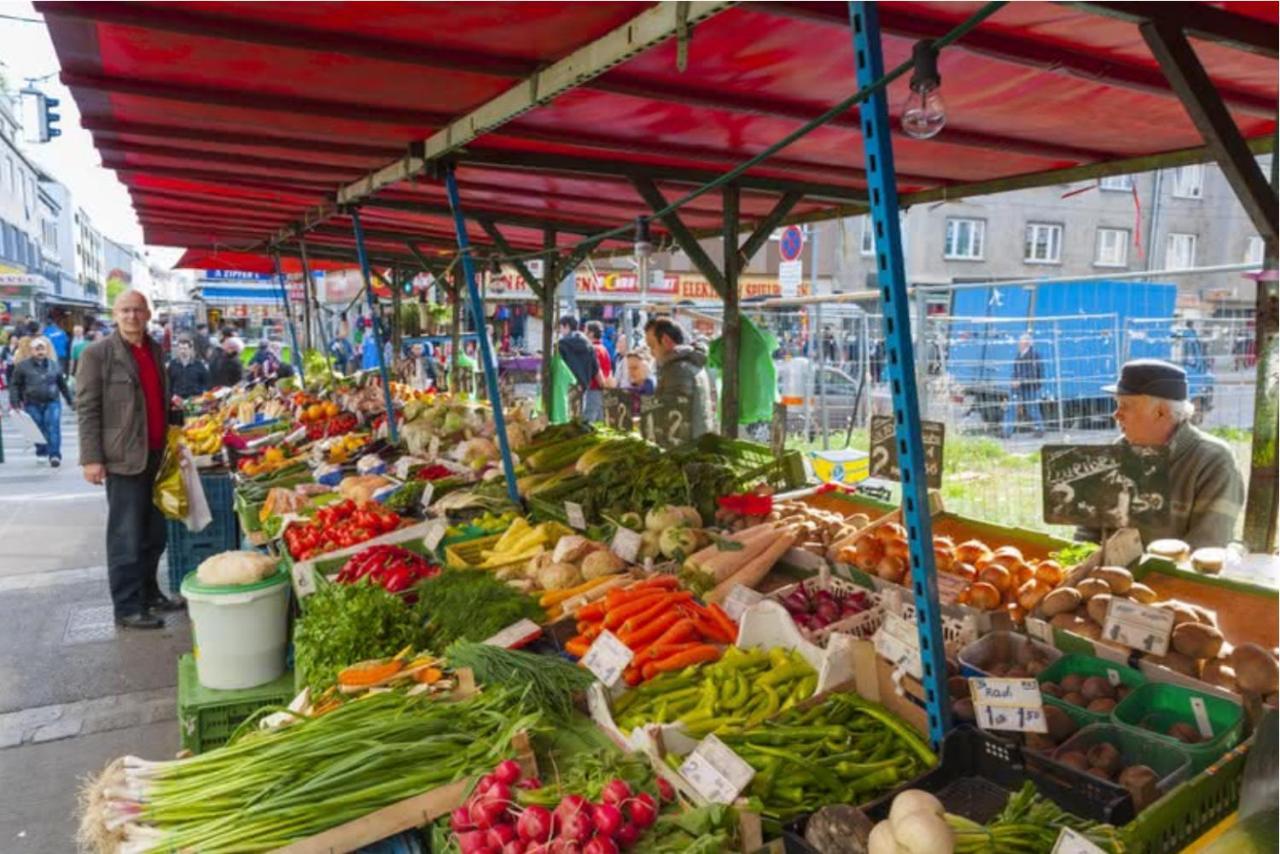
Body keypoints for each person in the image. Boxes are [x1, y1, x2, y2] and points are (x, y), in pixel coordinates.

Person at [76, 290, 183, 630]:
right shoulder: (98, 354)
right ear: (115, 314)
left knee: (153, 533)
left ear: (148, 313)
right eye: (125, 310)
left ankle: (150, 594)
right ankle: (127, 606)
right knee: (126, 535)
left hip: (155, 452)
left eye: (138, 310)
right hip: (123, 457)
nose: (132, 316)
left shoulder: (153, 349)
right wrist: (91, 459)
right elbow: (88, 408)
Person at [1077, 359, 1244, 549]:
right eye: (1117, 404)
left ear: (1161, 413)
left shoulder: (1213, 461)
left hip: (1171, 577)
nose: (1116, 414)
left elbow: (1206, 548)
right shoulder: (1118, 451)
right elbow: (1087, 533)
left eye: (1126, 405)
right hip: (1110, 576)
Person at [644, 316, 715, 439]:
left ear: (665, 340)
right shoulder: (690, 362)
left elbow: (673, 413)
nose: (651, 353)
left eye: (652, 346)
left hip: (686, 449)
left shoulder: (678, 369)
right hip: (698, 440)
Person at [10, 336, 74, 466]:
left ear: (46, 350)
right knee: (38, 428)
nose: (40, 352)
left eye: (42, 349)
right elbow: (15, 385)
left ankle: (55, 455)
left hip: (52, 401)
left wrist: (70, 400)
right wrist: (15, 402)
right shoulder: (22, 367)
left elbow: (62, 385)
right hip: (32, 402)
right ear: (31, 351)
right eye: (37, 349)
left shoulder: (54, 365)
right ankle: (41, 450)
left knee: (53, 427)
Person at [556, 316, 598, 418]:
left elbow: (557, 367)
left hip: (566, 387)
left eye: (561, 328)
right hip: (583, 387)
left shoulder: (561, 344)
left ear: (566, 326)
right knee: (578, 417)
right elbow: (595, 368)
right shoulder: (589, 344)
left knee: (564, 418)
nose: (560, 331)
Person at [1004, 333, 1045, 438]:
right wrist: (1013, 379)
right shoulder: (1019, 355)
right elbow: (1016, 370)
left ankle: (1039, 429)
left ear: (1027, 343)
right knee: (1011, 407)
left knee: (1032, 408)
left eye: (1021, 341)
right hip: (1018, 387)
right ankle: (1006, 432)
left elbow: (1034, 373)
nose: (1019, 343)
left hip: (1030, 386)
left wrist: (1020, 381)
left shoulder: (1034, 355)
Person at [583, 320, 613, 423]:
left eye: (585, 331)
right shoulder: (604, 349)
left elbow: (596, 370)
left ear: (591, 333)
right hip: (602, 391)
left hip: (593, 390)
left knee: (588, 422)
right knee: (599, 422)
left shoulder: (593, 349)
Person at [622, 351, 656, 416]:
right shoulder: (626, 390)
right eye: (629, 368)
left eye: (635, 368)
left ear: (646, 367)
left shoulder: (655, 389)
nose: (631, 372)